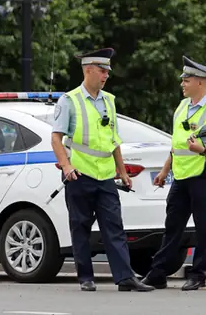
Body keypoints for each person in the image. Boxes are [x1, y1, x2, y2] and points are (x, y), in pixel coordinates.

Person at [50, 47, 154, 292]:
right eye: (102, 70)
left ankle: (125, 278)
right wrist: (66, 166)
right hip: (79, 174)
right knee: (81, 227)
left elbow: (113, 139)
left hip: (106, 176)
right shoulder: (69, 101)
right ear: (88, 70)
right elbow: (56, 138)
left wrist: (123, 171)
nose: (106, 75)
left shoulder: (109, 101)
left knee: (114, 227)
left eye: (108, 71)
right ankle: (86, 276)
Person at [141, 56, 206, 291]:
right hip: (180, 175)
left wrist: (202, 149)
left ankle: (198, 273)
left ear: (200, 82)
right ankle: (158, 273)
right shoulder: (182, 107)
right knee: (173, 224)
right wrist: (164, 170)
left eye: (186, 79)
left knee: (203, 225)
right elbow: (176, 145)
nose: (182, 83)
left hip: (203, 173)